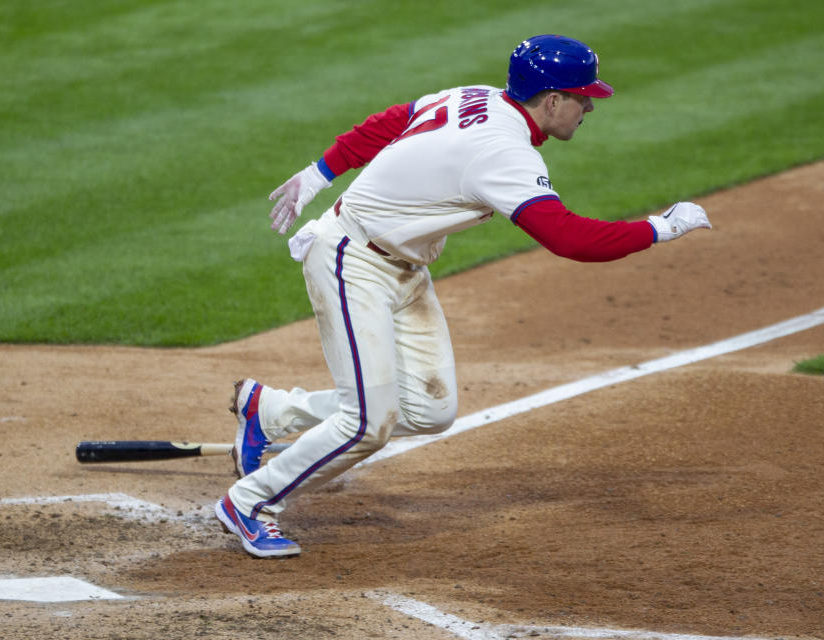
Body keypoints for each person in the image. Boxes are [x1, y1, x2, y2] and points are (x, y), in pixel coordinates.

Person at [214, 34, 711, 557]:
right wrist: (659, 228)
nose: (589, 105)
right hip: (351, 262)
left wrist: (320, 173)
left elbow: (391, 120)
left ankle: (271, 413)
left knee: (430, 411)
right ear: (553, 101)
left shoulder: (479, 96)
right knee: (367, 423)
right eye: (583, 96)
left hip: (403, 269)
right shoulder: (503, 153)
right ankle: (249, 502)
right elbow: (569, 239)